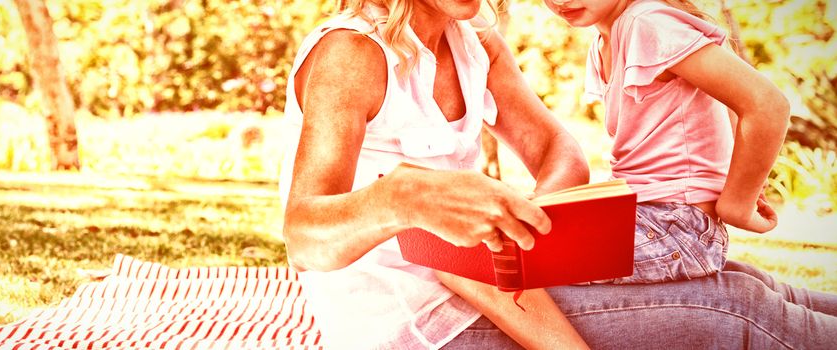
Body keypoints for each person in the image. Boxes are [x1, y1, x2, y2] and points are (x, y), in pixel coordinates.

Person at [279, 0, 837, 348]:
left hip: (492, 285)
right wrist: (400, 200)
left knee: (744, 283)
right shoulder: (350, 53)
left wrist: (527, 236)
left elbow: (556, 149)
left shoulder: (475, 42)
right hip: (418, 324)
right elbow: (304, 238)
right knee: (729, 311)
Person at [541, 0, 785, 285]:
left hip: (675, 225)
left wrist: (737, 203)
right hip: (645, 215)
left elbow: (767, 105)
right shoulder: (605, 40)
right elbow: (727, 101)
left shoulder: (646, 23)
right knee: (516, 244)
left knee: (529, 263)